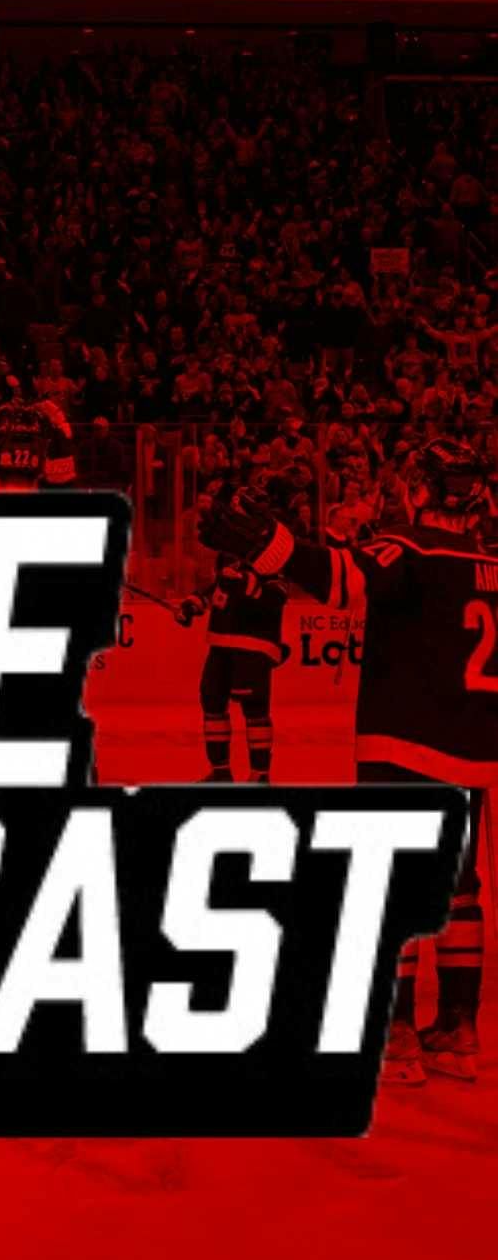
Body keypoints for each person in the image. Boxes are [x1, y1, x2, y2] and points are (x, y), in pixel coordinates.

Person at [201, 437, 496, 1085]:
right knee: (461, 885)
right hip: (476, 747)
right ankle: (459, 1028)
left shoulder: (410, 546)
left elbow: (343, 580)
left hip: (406, 738)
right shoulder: (490, 559)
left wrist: (271, 545)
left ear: (420, 486)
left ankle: (395, 1034)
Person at [175, 542, 289, 784]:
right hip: (220, 644)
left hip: (253, 647)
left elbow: (276, 597)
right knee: (212, 701)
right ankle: (220, 771)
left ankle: (260, 774)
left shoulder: (270, 555)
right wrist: (193, 604)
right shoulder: (229, 555)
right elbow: (216, 589)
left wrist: (244, 584)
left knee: (254, 709)